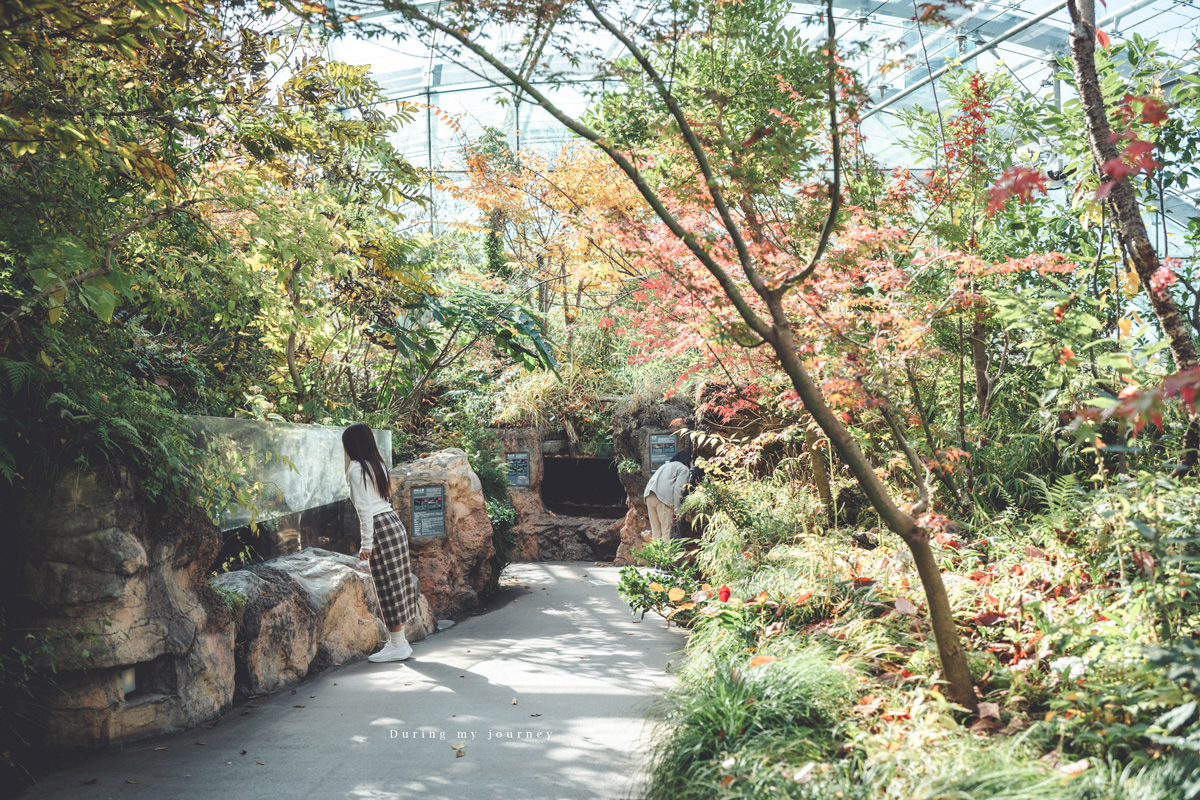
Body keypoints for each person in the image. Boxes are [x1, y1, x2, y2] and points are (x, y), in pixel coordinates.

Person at [343, 422, 416, 663]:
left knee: (387, 586)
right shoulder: (378, 465)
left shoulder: (356, 470)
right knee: (397, 583)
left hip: (379, 528)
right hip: (392, 523)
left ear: (351, 446)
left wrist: (366, 543)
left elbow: (364, 509)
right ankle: (400, 642)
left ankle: (397, 645)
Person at [643, 450, 692, 541]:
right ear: (687, 460)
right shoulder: (684, 469)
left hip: (649, 495)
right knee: (666, 532)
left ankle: (656, 555)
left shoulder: (665, 465)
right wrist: (677, 510)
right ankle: (666, 555)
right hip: (663, 498)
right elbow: (678, 490)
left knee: (656, 532)